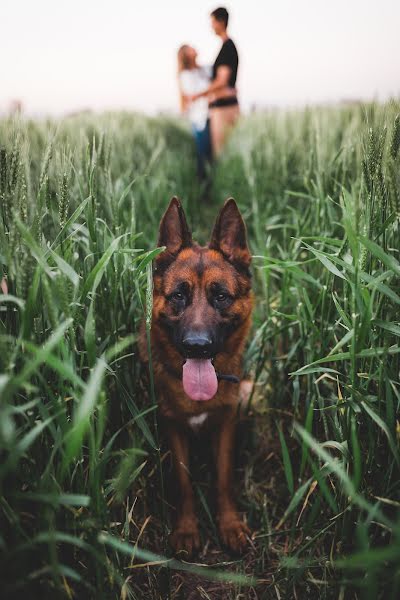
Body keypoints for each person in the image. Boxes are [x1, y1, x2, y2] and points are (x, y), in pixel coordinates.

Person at [186, 7, 239, 157]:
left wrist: (198, 95)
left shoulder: (227, 47)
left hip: (223, 108)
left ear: (221, 22)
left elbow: (221, 81)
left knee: (221, 154)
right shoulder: (226, 47)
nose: (211, 26)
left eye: (213, 22)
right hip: (224, 105)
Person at [177, 45, 212, 181]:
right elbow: (192, 96)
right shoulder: (185, 75)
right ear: (186, 55)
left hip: (210, 116)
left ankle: (209, 186)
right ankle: (202, 189)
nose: (194, 49)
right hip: (199, 120)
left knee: (211, 154)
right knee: (202, 155)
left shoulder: (203, 69)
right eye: (190, 48)